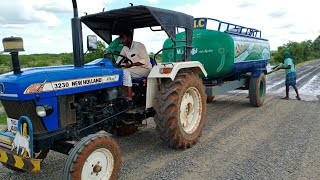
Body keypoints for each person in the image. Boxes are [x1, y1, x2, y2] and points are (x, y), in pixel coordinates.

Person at [118, 30, 152, 101]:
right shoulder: (125, 48)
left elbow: (145, 60)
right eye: (121, 39)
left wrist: (132, 64)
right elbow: (119, 59)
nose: (122, 41)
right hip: (134, 69)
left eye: (123, 38)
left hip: (145, 69)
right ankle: (124, 92)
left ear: (129, 38)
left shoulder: (139, 46)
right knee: (117, 73)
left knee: (125, 71)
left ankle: (130, 96)